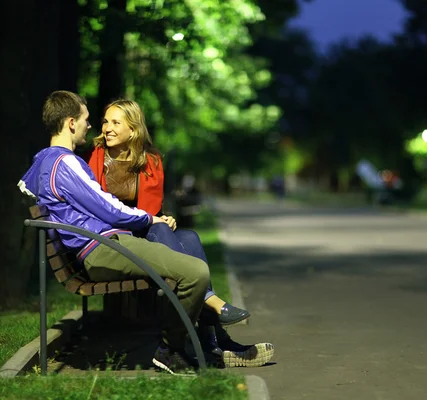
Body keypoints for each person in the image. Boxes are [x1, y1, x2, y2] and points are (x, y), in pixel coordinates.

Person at [18, 90, 210, 375]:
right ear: (71, 123)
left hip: (101, 244)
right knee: (196, 273)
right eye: (85, 119)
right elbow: (109, 209)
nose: (90, 126)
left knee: (187, 244)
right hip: (101, 247)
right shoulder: (66, 163)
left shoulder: (44, 160)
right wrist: (150, 218)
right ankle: (171, 349)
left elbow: (27, 187)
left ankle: (204, 337)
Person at [87, 99, 274, 367]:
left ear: (133, 128)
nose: (107, 128)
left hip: (145, 231)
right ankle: (214, 323)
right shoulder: (96, 157)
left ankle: (211, 339)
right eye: (106, 121)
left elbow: (150, 208)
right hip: (116, 238)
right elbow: (99, 207)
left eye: (116, 122)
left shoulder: (150, 160)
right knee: (163, 227)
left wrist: (158, 219)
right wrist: (157, 220)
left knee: (191, 238)